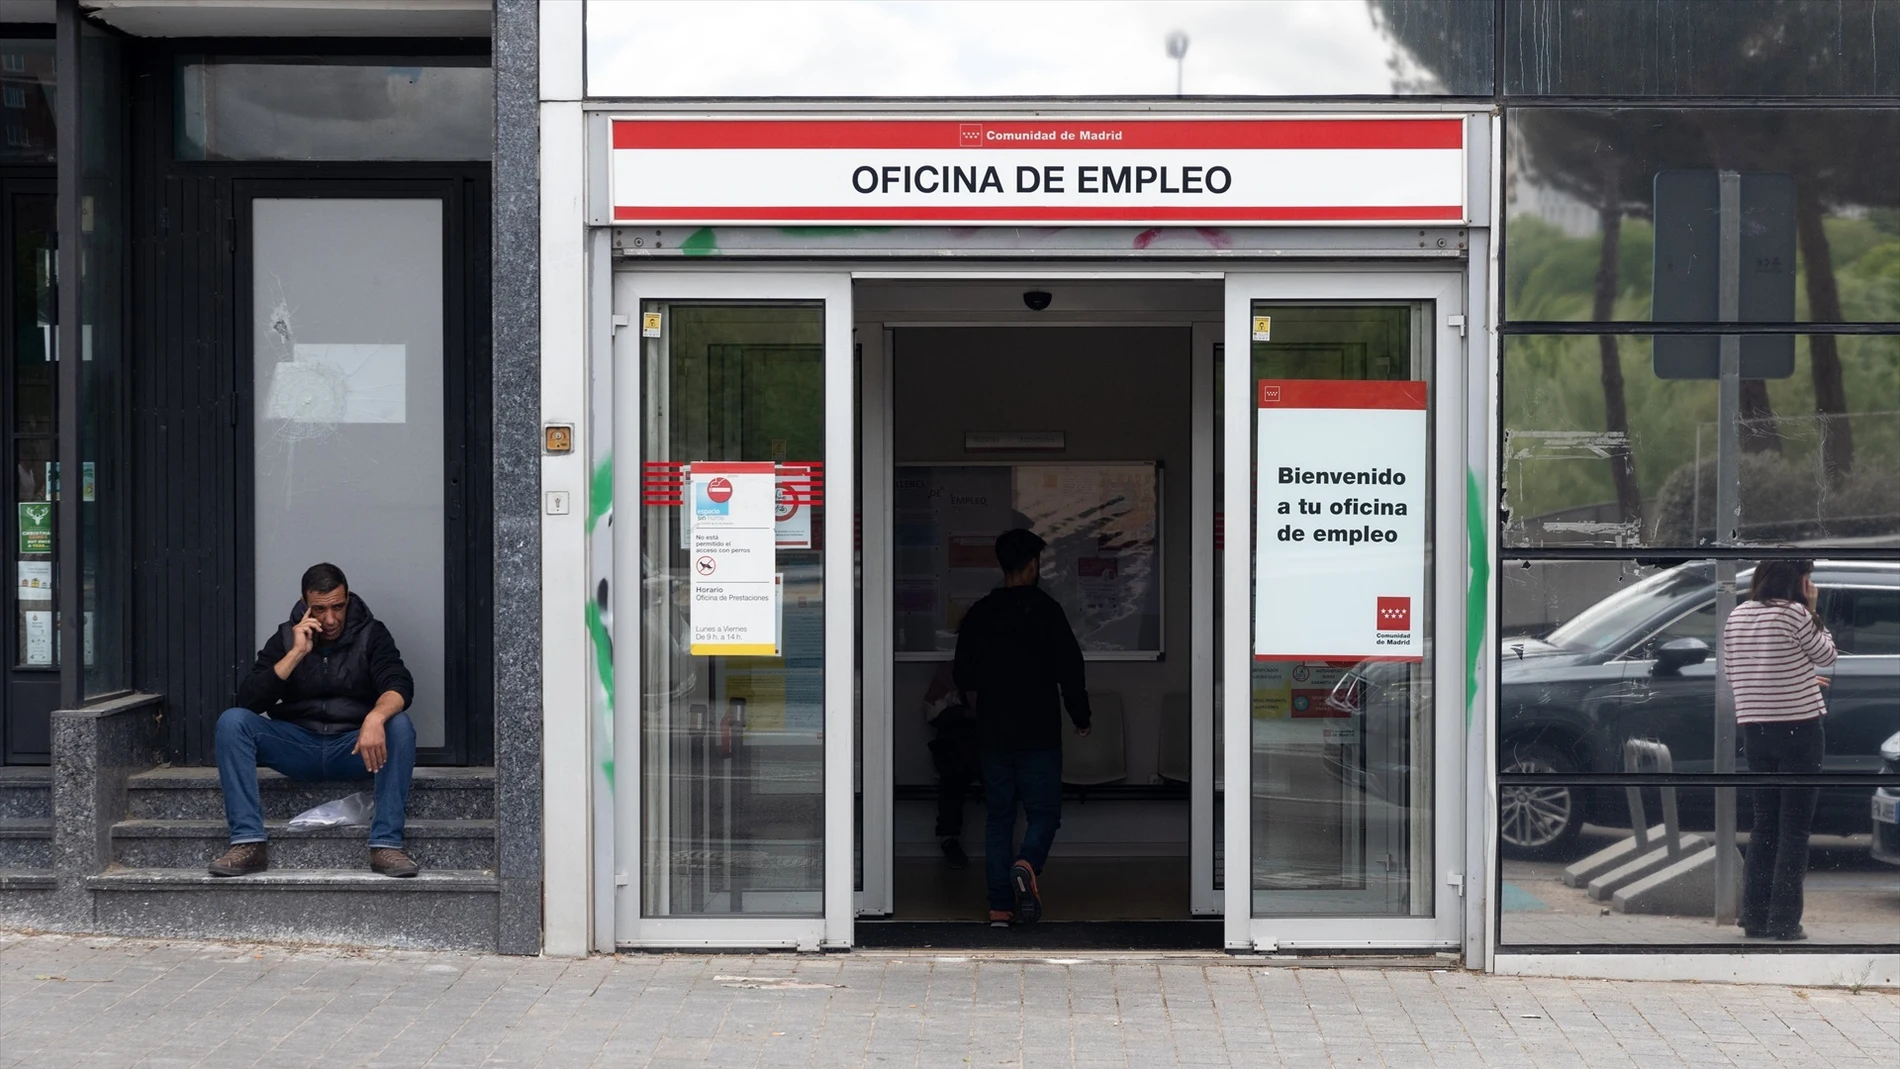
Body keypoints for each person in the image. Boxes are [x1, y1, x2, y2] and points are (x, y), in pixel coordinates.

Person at [208, 563, 421, 878]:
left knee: (399, 725)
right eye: (320, 610)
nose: (331, 619)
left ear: (347, 599)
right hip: (298, 746)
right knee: (232, 722)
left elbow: (399, 683)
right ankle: (248, 843)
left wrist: (376, 717)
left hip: (353, 747)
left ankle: (386, 844)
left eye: (338, 606)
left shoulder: (372, 634)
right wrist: (296, 653)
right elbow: (250, 701)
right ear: (305, 603)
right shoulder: (285, 636)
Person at [953, 528, 1092, 927]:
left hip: (993, 735)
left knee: (999, 817)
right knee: (1044, 813)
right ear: (1033, 565)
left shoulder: (980, 614)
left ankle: (1000, 906)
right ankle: (1027, 864)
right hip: (1039, 735)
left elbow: (963, 673)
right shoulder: (1048, 612)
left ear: (1002, 565)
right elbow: (1071, 670)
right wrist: (1080, 717)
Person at [1722, 558, 1837, 941]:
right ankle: (1785, 922)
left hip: (1756, 733)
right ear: (1800, 581)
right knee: (1794, 831)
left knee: (1764, 825)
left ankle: (1754, 918)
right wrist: (1812, 609)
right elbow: (1827, 656)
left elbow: (1741, 670)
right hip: (1800, 732)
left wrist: (1796, 678)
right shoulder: (1795, 614)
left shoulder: (1737, 615)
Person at [922, 661, 978, 869]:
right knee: (953, 769)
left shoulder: (1001, 665)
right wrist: (964, 712)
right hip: (957, 745)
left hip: (992, 742)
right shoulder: (949, 671)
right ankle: (949, 837)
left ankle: (1002, 843)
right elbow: (931, 712)